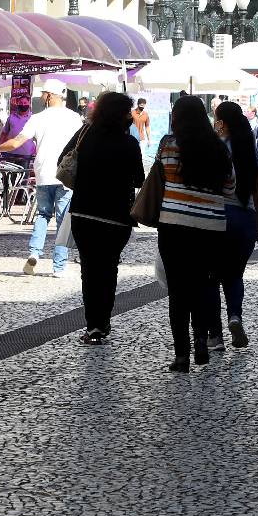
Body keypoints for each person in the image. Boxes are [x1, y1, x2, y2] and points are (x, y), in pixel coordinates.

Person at [56, 92, 145, 344]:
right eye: (128, 112)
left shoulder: (85, 136)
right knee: (108, 269)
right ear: (121, 115)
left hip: (84, 213)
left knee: (90, 269)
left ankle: (93, 325)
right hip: (117, 218)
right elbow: (139, 179)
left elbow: (62, 160)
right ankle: (103, 322)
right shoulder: (129, 144)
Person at [157, 96, 236, 372]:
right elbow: (229, 190)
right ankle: (201, 342)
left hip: (173, 227)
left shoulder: (168, 145)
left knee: (178, 292)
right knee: (204, 286)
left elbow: (161, 179)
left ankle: (181, 356)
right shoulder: (219, 149)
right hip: (210, 229)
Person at [0, 79, 83, 277]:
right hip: (65, 176)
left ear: (49, 95)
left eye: (43, 94)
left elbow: (16, 142)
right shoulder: (75, 118)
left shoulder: (37, 118)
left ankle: (35, 253)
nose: (41, 97)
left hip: (43, 173)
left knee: (42, 215)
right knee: (62, 221)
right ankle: (59, 267)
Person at [207, 101, 258, 352]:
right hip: (245, 219)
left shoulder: (215, 148)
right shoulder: (251, 151)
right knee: (234, 275)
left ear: (221, 122)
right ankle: (235, 317)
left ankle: (215, 336)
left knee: (211, 277)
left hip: (217, 217)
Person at [0, 95, 37, 167]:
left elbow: (37, 137)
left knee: (24, 177)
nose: (23, 105)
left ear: (29, 104)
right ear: (18, 104)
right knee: (10, 176)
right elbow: (4, 133)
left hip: (26, 154)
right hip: (11, 153)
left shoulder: (33, 118)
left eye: (25, 103)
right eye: (21, 103)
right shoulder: (11, 117)